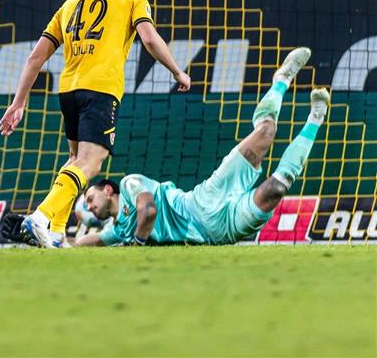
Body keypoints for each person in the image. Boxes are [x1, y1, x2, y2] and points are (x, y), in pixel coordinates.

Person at [0, 0, 191, 248]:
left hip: (68, 90)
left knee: (75, 160)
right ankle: (40, 216)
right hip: (100, 89)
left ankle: (56, 232)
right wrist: (178, 72)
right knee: (91, 164)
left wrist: (18, 102)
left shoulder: (70, 3)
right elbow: (150, 39)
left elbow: (35, 57)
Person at [77, 49, 330, 247]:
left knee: (266, 132)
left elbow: (149, 210)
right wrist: (66, 237)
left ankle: (281, 81)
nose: (89, 206)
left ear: (108, 190)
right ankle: (316, 118)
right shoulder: (118, 230)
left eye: (89, 199)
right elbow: (87, 243)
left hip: (203, 203)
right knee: (276, 188)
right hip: (220, 233)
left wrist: (137, 243)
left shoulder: (130, 185)